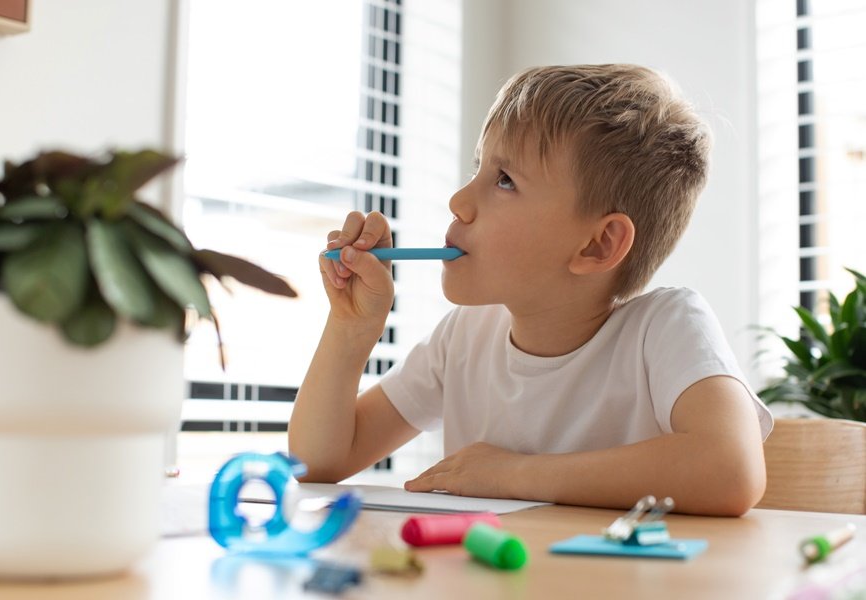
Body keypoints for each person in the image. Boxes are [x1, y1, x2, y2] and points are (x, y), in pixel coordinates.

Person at [288, 64, 773, 516]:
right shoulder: (464, 338)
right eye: (478, 168)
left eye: (503, 180)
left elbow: (730, 470)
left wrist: (512, 474)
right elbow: (315, 463)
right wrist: (352, 329)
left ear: (599, 244)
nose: (458, 201)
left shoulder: (665, 327)